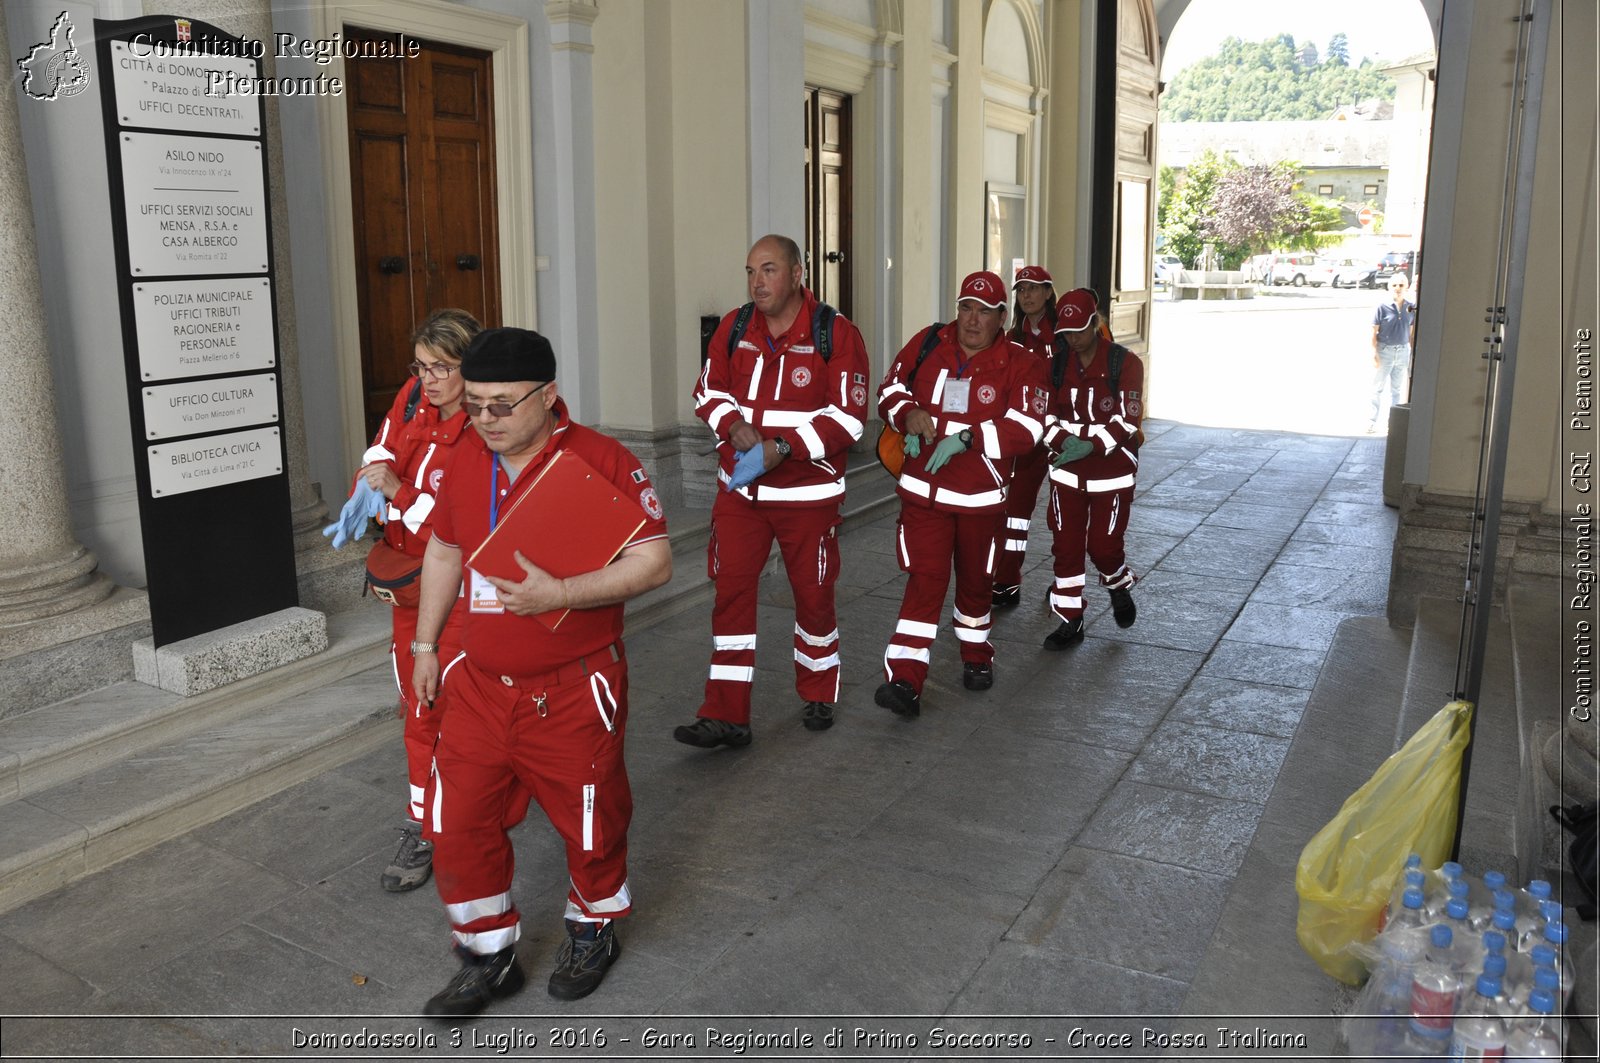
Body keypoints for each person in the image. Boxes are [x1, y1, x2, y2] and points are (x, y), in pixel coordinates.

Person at [409, 328, 672, 1015]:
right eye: (474, 404)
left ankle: (593, 927)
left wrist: (560, 593)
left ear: (549, 395)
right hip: (479, 686)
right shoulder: (466, 454)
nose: (486, 420)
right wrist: (427, 646)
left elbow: (653, 562)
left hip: (572, 687)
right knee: (457, 820)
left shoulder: (601, 460)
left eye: (503, 405)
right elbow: (443, 548)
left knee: (592, 819)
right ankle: (488, 953)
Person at [677, 234, 871, 746]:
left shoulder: (835, 332)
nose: (756, 282)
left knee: (813, 595)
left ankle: (818, 690)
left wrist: (780, 448)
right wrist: (732, 425)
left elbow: (848, 419)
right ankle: (726, 714)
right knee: (732, 596)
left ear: (798, 273)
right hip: (741, 497)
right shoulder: (735, 327)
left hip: (807, 497)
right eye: (749, 272)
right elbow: (707, 390)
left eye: (768, 270)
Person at [874, 270, 1047, 718]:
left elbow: (1028, 428)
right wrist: (906, 414)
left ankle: (976, 654)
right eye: (966, 308)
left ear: (1001, 317)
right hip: (922, 496)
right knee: (924, 583)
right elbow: (889, 388)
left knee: (975, 584)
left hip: (979, 500)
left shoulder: (1021, 362)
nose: (972, 320)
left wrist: (970, 439)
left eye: (984, 312)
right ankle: (905, 679)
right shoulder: (930, 342)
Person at [357, 309, 482, 894]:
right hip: (404, 585)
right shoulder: (413, 397)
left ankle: (440, 824)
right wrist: (371, 476)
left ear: (471, 369)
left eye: (443, 369)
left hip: (454, 590)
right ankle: (425, 819)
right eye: (422, 366)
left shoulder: (487, 427)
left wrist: (399, 493)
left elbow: (463, 527)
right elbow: (379, 447)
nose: (428, 380)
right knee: (416, 704)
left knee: (437, 706)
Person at [1040, 288, 1144, 650]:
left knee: (1103, 547)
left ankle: (1117, 584)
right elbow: (1043, 414)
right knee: (1065, 546)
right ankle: (1071, 619)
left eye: (1080, 330)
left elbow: (1129, 419)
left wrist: (1093, 444)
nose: (1073, 339)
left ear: (1096, 323)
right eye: (1066, 333)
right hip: (1066, 472)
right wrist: (1059, 440)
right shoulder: (1055, 363)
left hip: (1111, 473)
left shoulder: (1124, 363)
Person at [992, 266, 1057, 609]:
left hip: (1064, 436)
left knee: (1064, 515)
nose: (1028, 295)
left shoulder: (1067, 333)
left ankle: (1067, 585)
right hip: (1027, 436)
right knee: (1015, 509)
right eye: (1022, 289)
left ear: (1048, 292)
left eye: (1035, 288)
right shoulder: (1012, 337)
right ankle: (1006, 580)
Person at [1369, 274, 1417, 433]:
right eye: (1395, 285)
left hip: (1402, 351)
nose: (1398, 288)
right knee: (1378, 388)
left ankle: (1393, 424)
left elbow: (1411, 334)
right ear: (1390, 287)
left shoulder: (1410, 307)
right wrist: (1374, 353)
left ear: (1406, 287)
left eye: (1401, 285)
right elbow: (1374, 332)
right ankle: (1371, 421)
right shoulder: (1382, 307)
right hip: (1385, 351)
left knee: (1396, 390)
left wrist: (1412, 353)